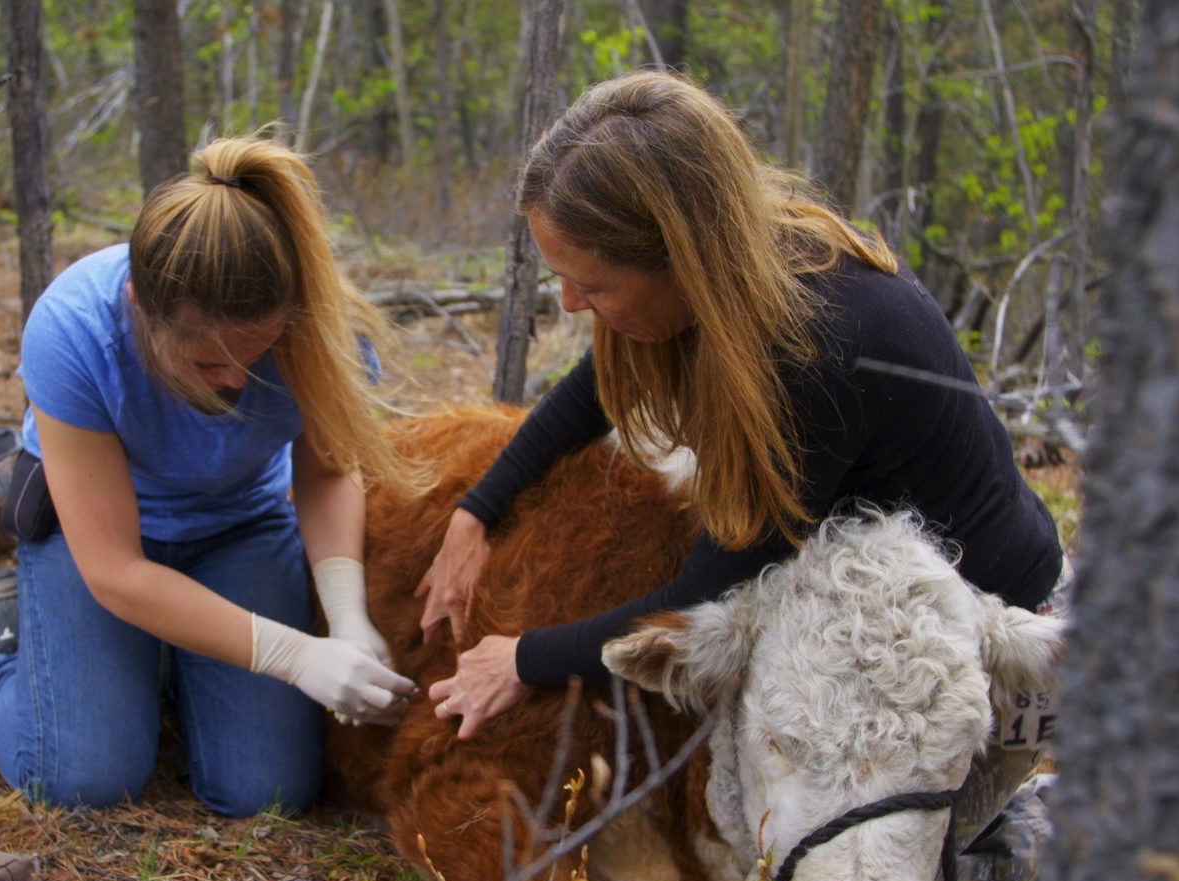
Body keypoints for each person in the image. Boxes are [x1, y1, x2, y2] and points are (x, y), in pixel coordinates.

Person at [419, 71, 1065, 737]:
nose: (571, 305)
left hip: (979, 635)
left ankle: (996, 821)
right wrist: (477, 511)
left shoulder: (815, 348)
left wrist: (524, 658)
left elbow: (711, 596)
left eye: (591, 285)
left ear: (680, 259)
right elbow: (595, 391)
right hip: (876, 578)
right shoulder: (739, 266)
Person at [0, 137, 421, 814]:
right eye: (207, 365)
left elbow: (327, 475)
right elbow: (116, 571)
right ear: (137, 305)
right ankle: (20, 648)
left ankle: (164, 665)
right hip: (103, 538)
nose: (235, 382)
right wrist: (295, 657)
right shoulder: (72, 330)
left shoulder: (324, 326)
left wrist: (348, 614)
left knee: (267, 791)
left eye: (257, 353)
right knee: (80, 778)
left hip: (238, 521)